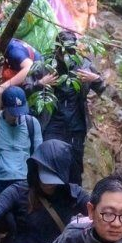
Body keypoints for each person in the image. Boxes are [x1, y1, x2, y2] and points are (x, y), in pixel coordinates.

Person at [35, 30, 105, 185]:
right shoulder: (46, 65)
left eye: (70, 51)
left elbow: (107, 93)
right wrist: (40, 84)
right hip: (52, 124)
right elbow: (26, 89)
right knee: (50, 164)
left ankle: (73, 203)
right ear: (57, 49)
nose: (66, 56)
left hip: (76, 125)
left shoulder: (84, 65)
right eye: (63, 51)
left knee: (75, 168)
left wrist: (97, 79)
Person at [0, 86, 42, 198]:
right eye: (13, 112)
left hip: (24, 180)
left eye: (20, 111)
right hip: (0, 180)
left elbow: (39, 155)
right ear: (4, 107)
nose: (17, 115)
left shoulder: (32, 123)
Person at [0, 27, 42, 95]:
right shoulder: (7, 44)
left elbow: (29, 67)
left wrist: (3, 87)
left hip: (39, 78)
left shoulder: (14, 50)